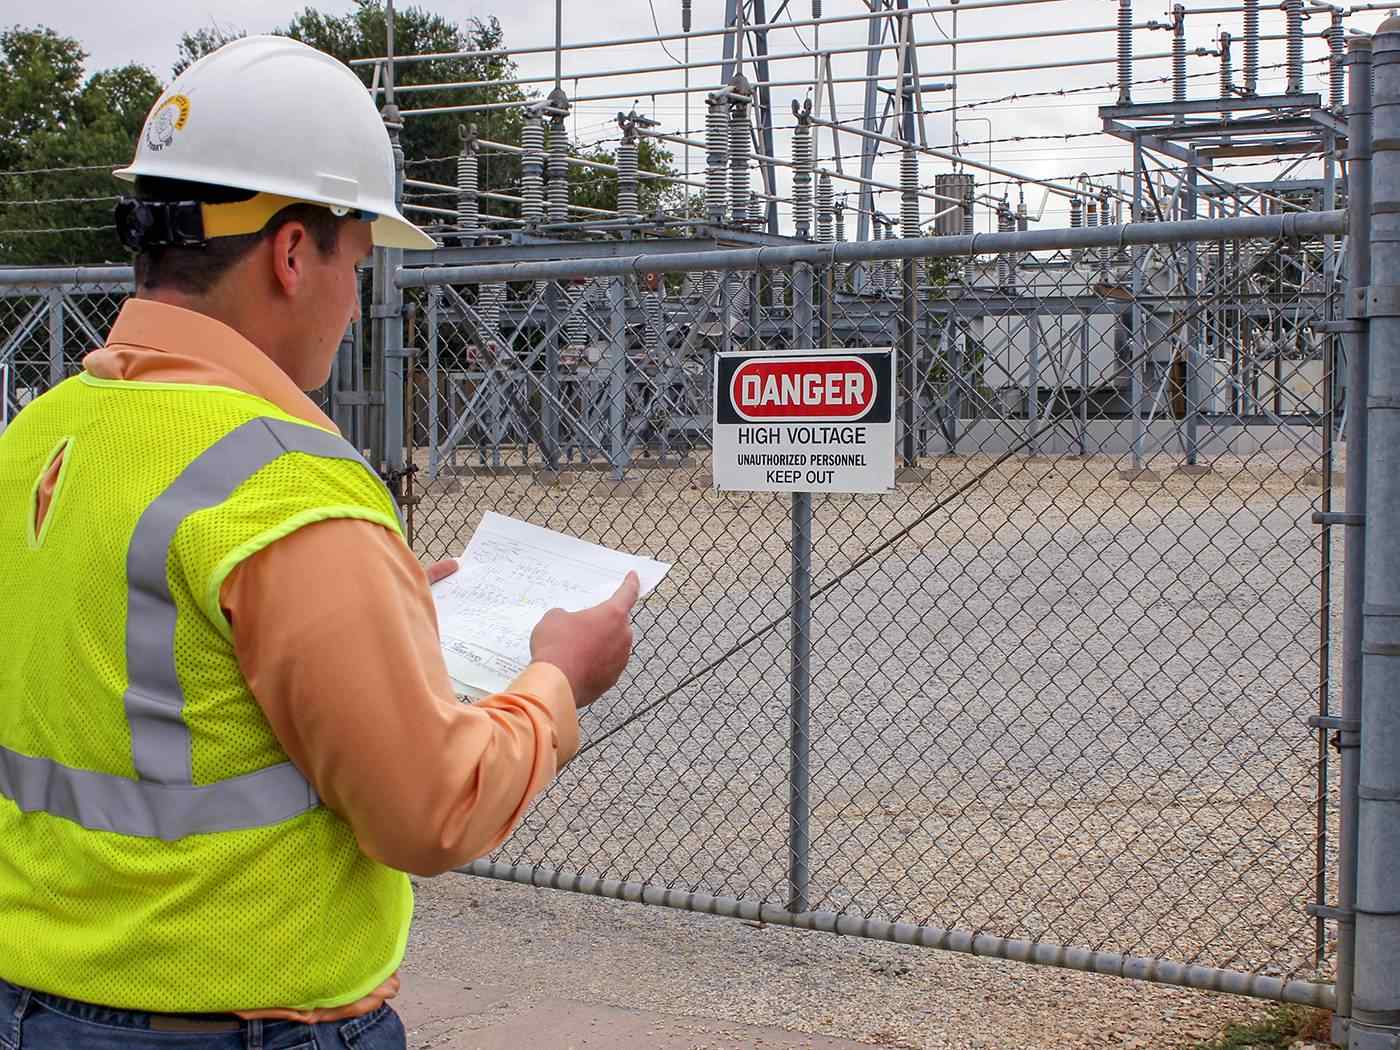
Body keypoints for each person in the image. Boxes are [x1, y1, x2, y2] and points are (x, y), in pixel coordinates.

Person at [0, 35, 638, 1050]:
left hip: (32, 1002)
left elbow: (132, 681)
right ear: (295, 254)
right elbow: (427, 811)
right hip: (233, 1022)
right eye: (360, 262)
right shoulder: (285, 481)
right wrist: (558, 681)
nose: (356, 301)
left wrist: (372, 626)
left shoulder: (40, 434)